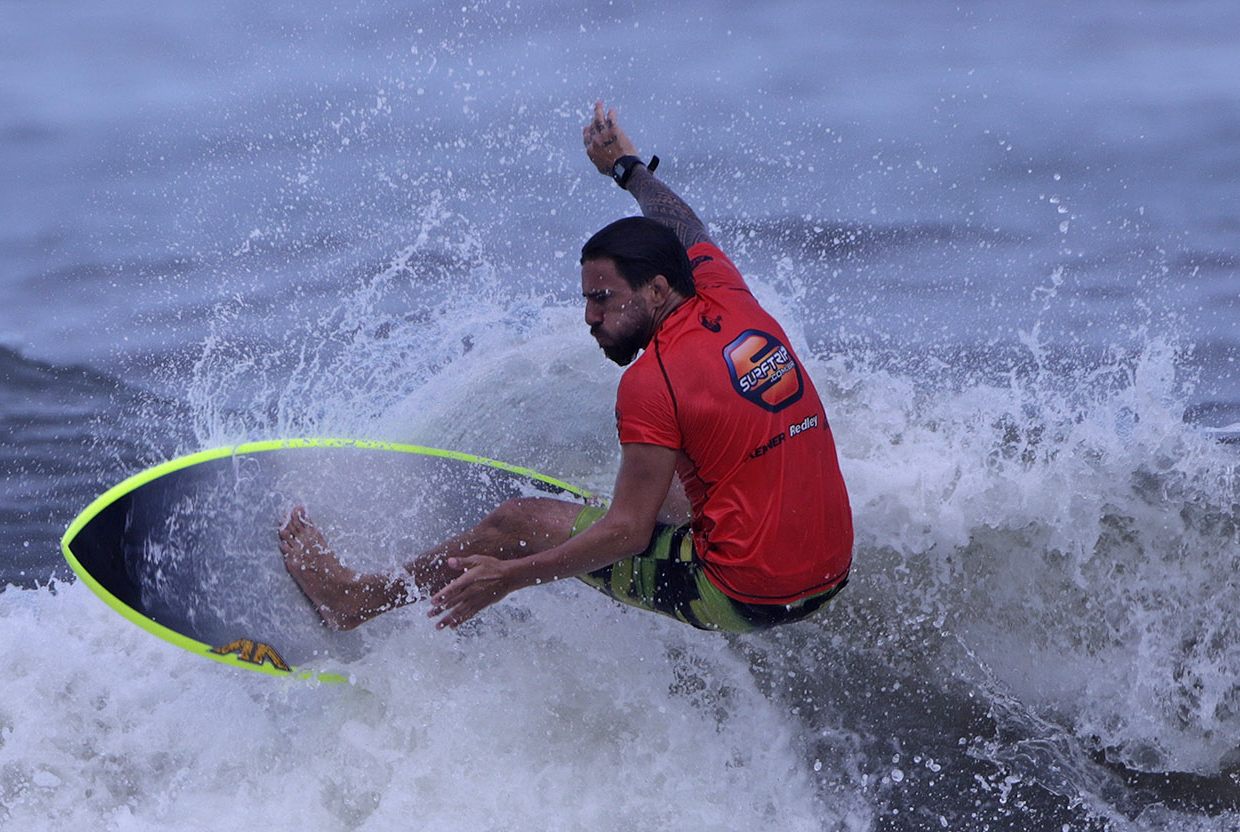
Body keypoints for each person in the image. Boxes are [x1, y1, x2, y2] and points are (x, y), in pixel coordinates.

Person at [279, 102, 854, 635]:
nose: (589, 316)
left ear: (656, 289)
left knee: (515, 521)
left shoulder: (652, 382)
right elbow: (677, 220)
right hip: (830, 568)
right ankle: (653, 515)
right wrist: (626, 167)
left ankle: (352, 599)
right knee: (696, 454)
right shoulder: (726, 292)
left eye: (604, 299)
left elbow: (627, 534)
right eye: (586, 299)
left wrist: (509, 575)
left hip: (743, 591)